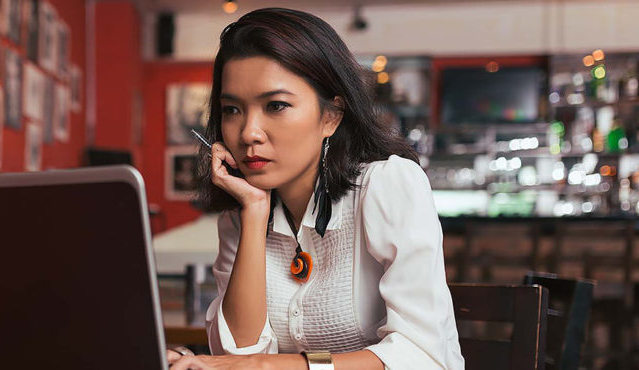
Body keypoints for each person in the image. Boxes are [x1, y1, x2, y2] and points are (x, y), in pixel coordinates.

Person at [167, 8, 464, 370]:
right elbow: (239, 359)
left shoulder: (386, 185)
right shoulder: (241, 216)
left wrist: (279, 365)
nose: (248, 133)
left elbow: (423, 356)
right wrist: (256, 212)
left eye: (276, 105)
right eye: (232, 110)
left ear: (331, 116)